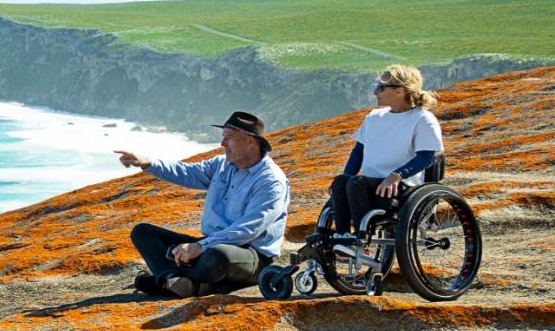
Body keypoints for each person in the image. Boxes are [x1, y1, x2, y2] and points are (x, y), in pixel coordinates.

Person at [116, 111, 289, 298]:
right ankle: (176, 281)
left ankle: (169, 281)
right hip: (212, 244)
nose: (222, 144)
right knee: (143, 232)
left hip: (251, 256)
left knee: (217, 255)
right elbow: (186, 172)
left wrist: (200, 247)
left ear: (249, 141)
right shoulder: (221, 165)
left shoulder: (271, 181)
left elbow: (248, 230)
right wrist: (147, 163)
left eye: (228, 138)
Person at [329, 65, 443, 249]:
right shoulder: (374, 117)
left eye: (381, 88)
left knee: (355, 184)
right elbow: (358, 153)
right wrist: (341, 183)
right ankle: (343, 238)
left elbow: (425, 158)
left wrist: (396, 175)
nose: (375, 92)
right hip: (367, 186)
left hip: (400, 188)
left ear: (400, 91)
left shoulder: (423, 119)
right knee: (341, 182)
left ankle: (360, 241)